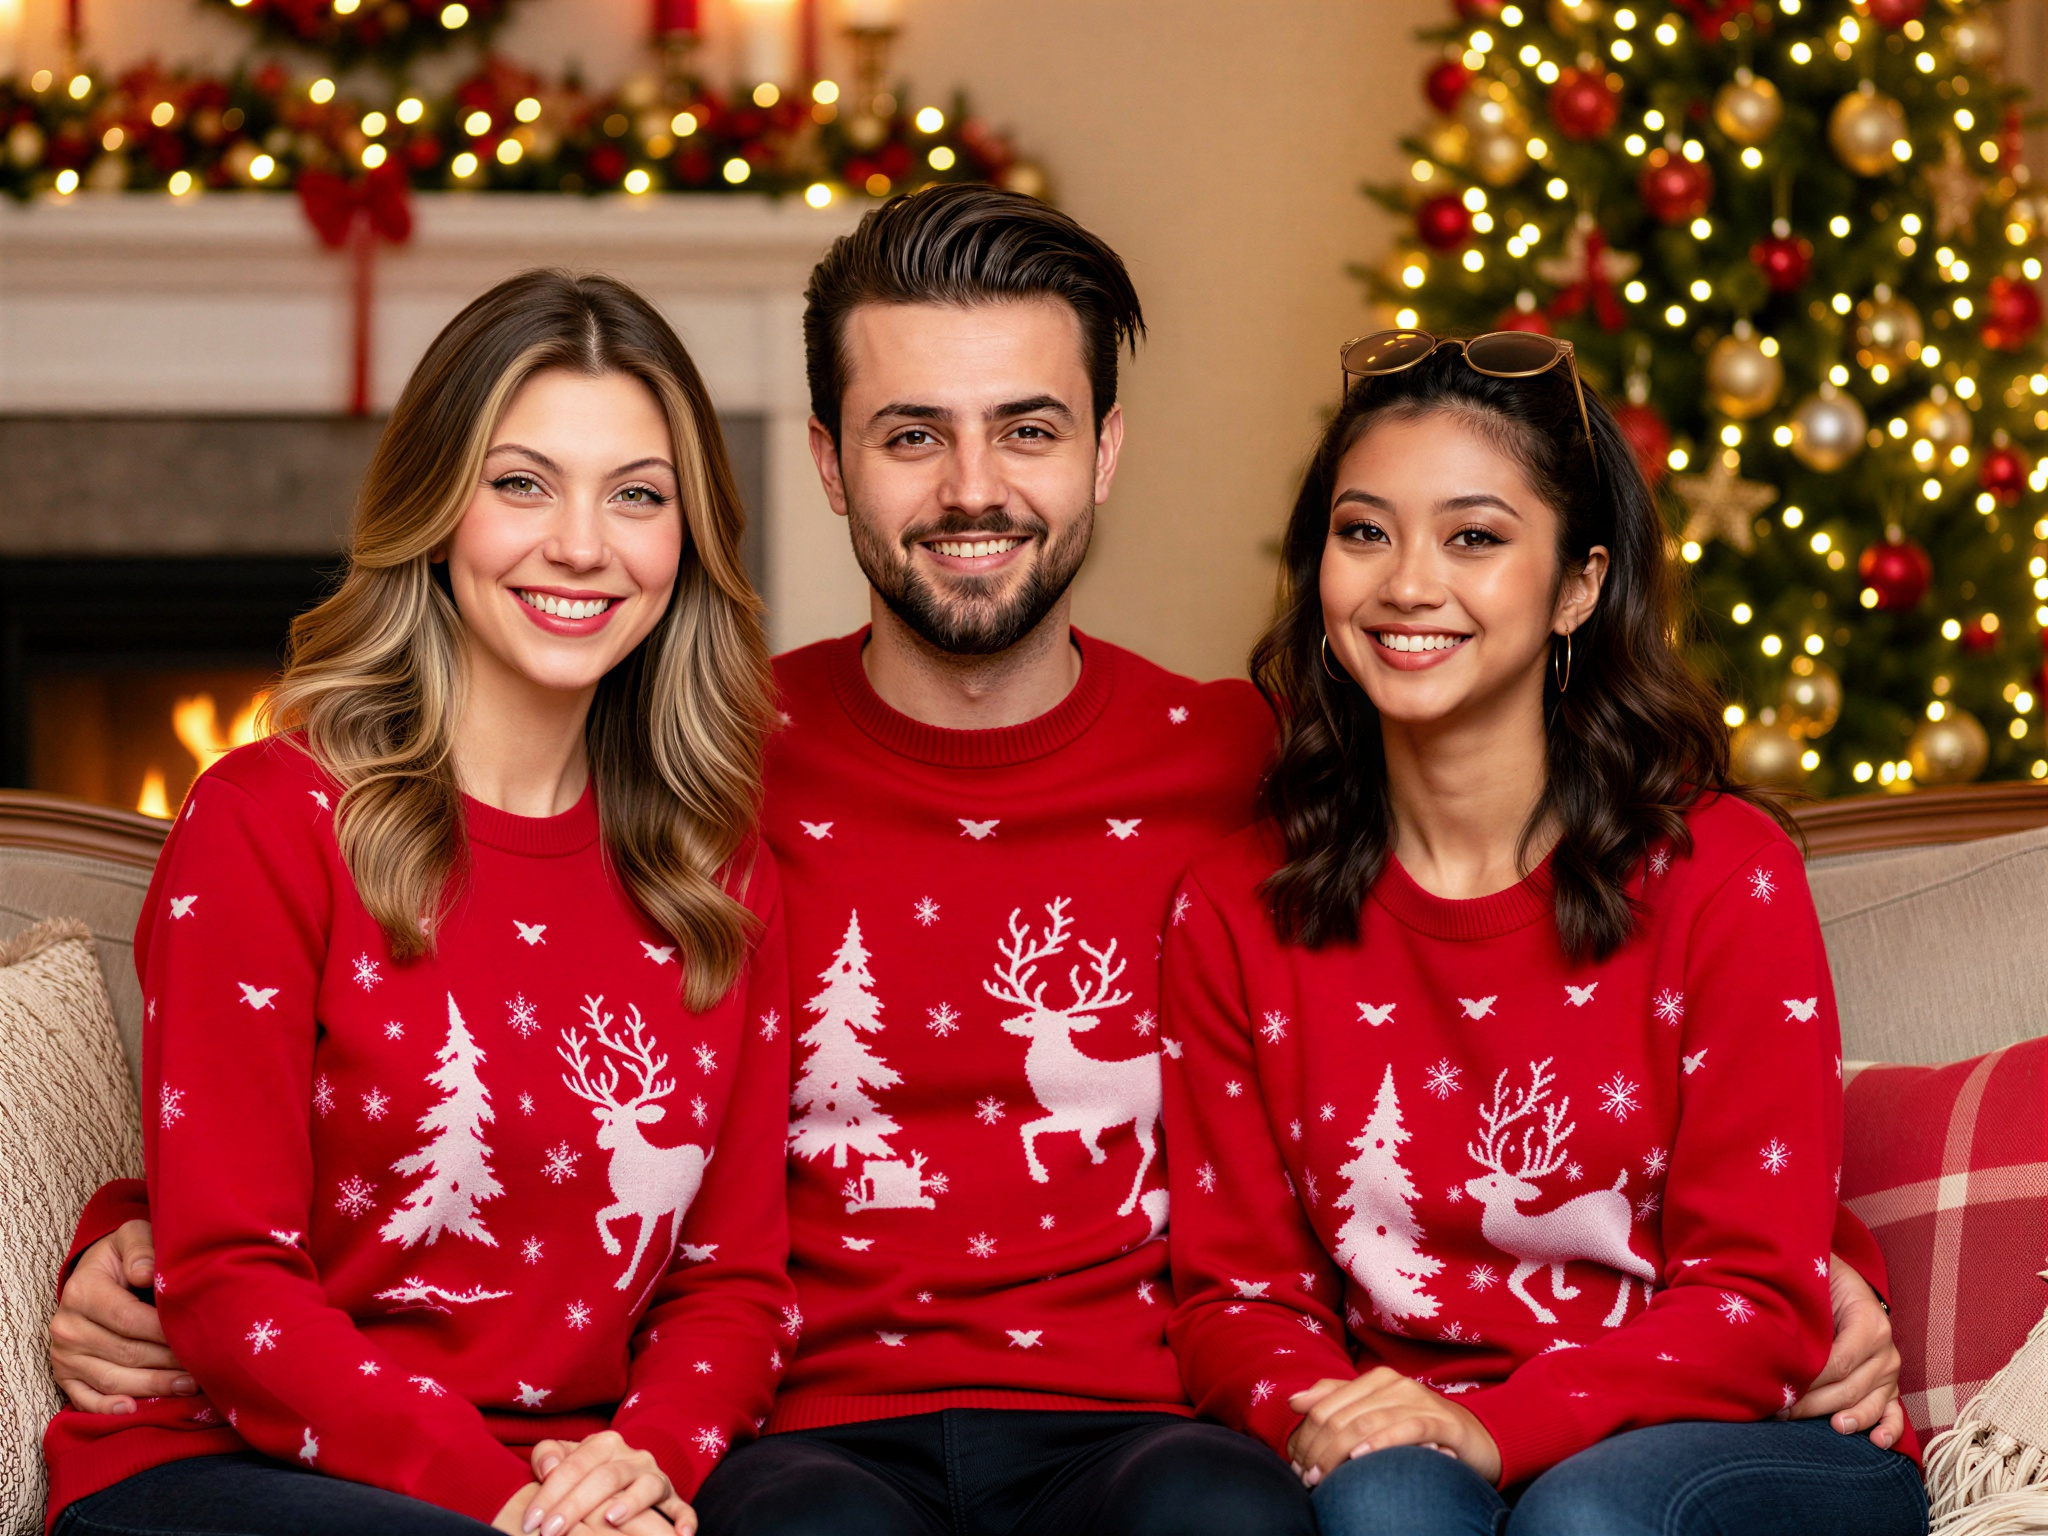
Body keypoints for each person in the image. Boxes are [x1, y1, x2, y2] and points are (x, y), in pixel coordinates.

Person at [50, 190, 1901, 1535]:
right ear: (828, 467)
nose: (971, 488)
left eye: (1026, 428)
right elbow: (413, 1006)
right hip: (801, 1431)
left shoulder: (1268, 768)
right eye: (909, 435)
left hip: (1138, 1422)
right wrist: (136, 1229)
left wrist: (1806, 1265)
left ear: (1105, 450)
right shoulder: (692, 768)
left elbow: (1490, 941)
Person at [41, 270, 795, 1536]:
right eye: (522, 483)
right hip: (237, 1471)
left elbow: (734, 1286)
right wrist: (516, 1509)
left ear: (690, 539)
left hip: (564, 1482)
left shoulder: (717, 873)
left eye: (637, 495)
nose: (582, 544)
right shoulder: (267, 824)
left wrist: (645, 1463)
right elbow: (227, 1281)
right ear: (436, 511)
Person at [1158, 332, 1930, 1536]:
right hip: (1417, 1437)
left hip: (1744, 1437)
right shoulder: (1233, 904)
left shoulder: (1720, 874)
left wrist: (1498, 1427)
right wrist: (1338, 1420)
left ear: (1577, 584)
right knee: (1383, 1500)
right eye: (1362, 533)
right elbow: (1237, 1300)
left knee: (1580, 1518)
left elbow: (1757, 1295)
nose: (1406, 584)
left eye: (1473, 537)